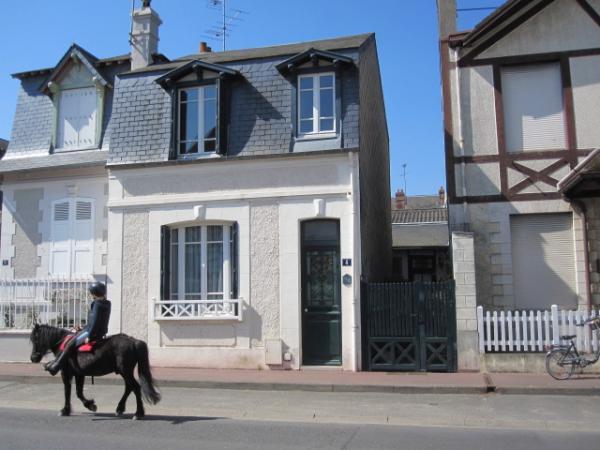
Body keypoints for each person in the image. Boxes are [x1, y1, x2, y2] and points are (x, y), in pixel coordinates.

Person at [44, 282, 111, 376]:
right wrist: (82, 327)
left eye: (92, 292)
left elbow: (95, 321)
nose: (91, 294)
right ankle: (58, 361)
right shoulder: (106, 303)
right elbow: (95, 321)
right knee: (71, 338)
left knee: (70, 343)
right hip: (95, 330)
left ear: (95, 292)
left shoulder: (97, 304)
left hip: (92, 332)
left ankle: (57, 366)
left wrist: (90, 335)